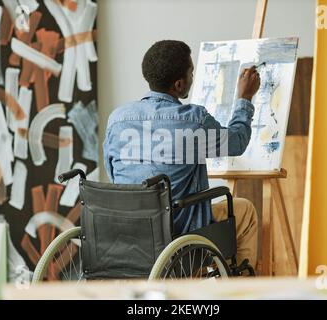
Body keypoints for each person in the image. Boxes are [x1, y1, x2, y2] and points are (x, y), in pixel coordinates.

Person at [103, 40, 261, 268]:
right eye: (191, 72)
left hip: (129, 235)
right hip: (180, 236)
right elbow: (237, 142)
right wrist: (245, 98)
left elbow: (113, 174)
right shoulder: (192, 120)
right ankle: (236, 288)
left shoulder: (117, 118)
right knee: (244, 210)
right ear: (179, 84)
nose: (193, 77)